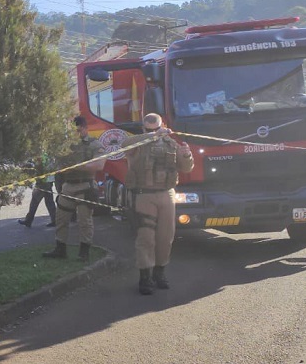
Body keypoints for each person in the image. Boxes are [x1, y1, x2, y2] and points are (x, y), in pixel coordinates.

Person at [121, 113, 194, 295]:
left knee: (165, 238)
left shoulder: (171, 144)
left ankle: (159, 273)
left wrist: (187, 156)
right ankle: (145, 277)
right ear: (143, 128)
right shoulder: (136, 143)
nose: (153, 132)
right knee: (146, 238)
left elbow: (186, 168)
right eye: (149, 129)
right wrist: (153, 136)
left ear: (163, 126)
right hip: (144, 195)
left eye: (156, 129)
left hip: (166, 194)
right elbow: (124, 146)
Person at [43, 116, 105, 261]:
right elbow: (55, 165)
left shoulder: (94, 144)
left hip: (85, 186)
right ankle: (60, 249)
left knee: (84, 221)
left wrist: (77, 167)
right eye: (73, 131)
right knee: (61, 219)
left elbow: (99, 165)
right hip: (68, 186)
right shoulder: (66, 146)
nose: (75, 134)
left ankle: (84, 252)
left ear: (85, 128)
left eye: (78, 130)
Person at [18, 155, 57, 228]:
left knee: (34, 202)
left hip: (42, 183)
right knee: (49, 202)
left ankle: (28, 220)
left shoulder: (41, 157)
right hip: (48, 181)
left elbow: (37, 169)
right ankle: (55, 220)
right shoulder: (47, 156)